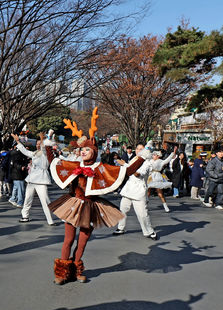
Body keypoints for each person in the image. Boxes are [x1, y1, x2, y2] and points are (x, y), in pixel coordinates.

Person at [49, 109, 151, 284]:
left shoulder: (100, 167)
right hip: (72, 205)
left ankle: (76, 269)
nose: (83, 152)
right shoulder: (74, 164)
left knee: (82, 242)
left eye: (87, 149)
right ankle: (62, 272)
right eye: (82, 149)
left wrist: (141, 157)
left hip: (90, 207)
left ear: (94, 151)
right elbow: (54, 163)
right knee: (68, 239)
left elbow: (126, 171)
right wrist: (46, 146)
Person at [113, 144, 157, 240]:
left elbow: (138, 174)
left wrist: (126, 165)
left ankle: (149, 231)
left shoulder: (147, 162)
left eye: (141, 149)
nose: (138, 151)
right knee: (122, 209)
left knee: (142, 214)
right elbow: (129, 169)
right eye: (137, 149)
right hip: (128, 188)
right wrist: (124, 165)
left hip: (139, 190)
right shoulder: (134, 159)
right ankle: (121, 228)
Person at [12, 131, 56, 225]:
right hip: (32, 180)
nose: (38, 145)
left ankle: (50, 220)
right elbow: (25, 151)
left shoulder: (45, 154)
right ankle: (25, 216)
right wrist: (18, 142)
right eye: (37, 144)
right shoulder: (35, 153)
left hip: (41, 181)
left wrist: (44, 139)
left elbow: (44, 149)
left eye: (40, 144)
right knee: (27, 199)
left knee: (45, 201)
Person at [147, 148, 177, 212]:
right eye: (153, 155)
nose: (153, 156)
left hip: (157, 177)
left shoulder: (160, 161)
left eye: (154, 155)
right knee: (148, 192)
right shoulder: (150, 161)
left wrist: (173, 153)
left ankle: (165, 206)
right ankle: (145, 206)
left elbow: (168, 159)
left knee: (160, 193)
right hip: (150, 176)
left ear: (158, 156)